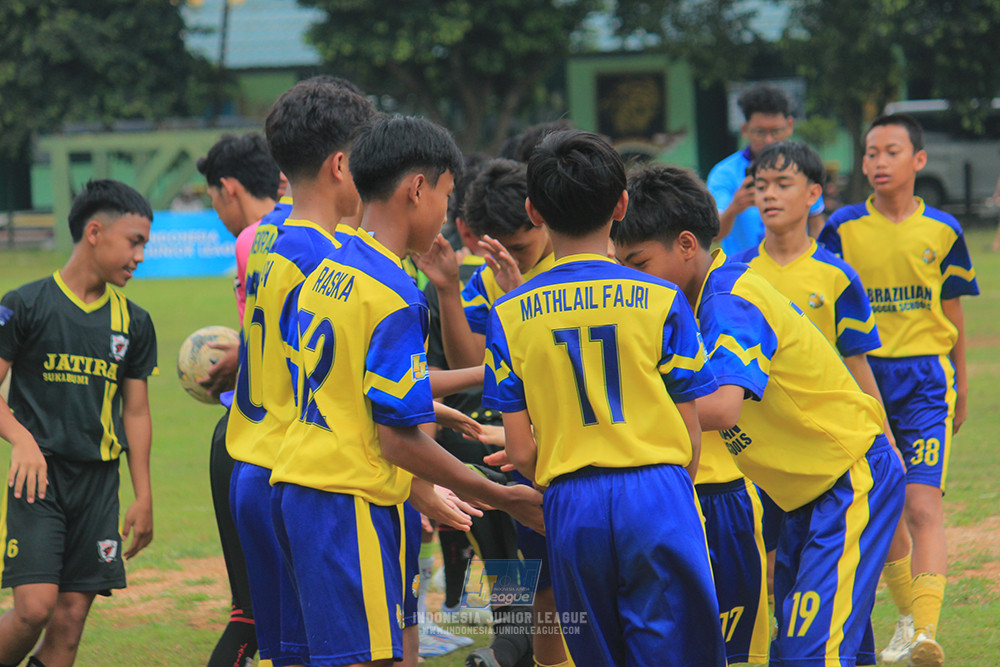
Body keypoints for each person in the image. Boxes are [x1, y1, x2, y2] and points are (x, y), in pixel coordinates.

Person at [271, 114, 543, 667]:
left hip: (303, 485)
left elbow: (344, 384)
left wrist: (432, 406)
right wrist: (501, 496)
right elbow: (395, 441)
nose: (445, 214)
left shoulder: (329, 266)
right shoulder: (395, 291)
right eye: (446, 194)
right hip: (347, 498)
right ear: (418, 189)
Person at [612, 164, 906, 666]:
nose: (630, 279)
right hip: (801, 498)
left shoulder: (729, 301)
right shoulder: (690, 303)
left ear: (687, 245)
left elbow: (724, 407)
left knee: (804, 652)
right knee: (829, 648)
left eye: (638, 263)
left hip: (849, 478)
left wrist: (619, 415)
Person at [483, 130, 726, 667]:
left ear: (533, 210)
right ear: (621, 204)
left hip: (571, 502)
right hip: (658, 491)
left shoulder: (509, 315)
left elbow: (521, 455)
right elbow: (690, 431)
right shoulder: (661, 299)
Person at [225, 78, 377, 667]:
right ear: (342, 164)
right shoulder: (327, 260)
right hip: (301, 479)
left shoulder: (266, 237)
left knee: (293, 654)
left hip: (253, 469)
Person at [820, 113, 980, 666]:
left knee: (921, 504)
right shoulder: (840, 228)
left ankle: (925, 633)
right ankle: (906, 619)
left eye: (891, 151)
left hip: (925, 383)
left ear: (919, 160)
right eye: (870, 152)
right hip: (862, 381)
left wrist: (961, 387)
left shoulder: (944, 230)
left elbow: (953, 313)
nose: (878, 162)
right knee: (880, 505)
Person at [0, 180, 158, 667]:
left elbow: (135, 411)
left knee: (68, 623)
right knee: (34, 608)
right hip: (39, 478)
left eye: (145, 246)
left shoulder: (133, 322)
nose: (140, 256)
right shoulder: (24, 305)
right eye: (134, 241)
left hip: (97, 484)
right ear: (95, 232)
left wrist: (144, 493)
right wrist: (23, 440)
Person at [418, 158, 562, 667]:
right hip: (504, 446)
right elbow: (468, 359)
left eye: (523, 243)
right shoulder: (486, 278)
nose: (512, 255)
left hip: (566, 451)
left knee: (566, 596)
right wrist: (450, 291)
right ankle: (507, 649)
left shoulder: (572, 267)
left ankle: (504, 652)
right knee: (526, 581)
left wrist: (520, 298)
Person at [196, 131, 281, 667]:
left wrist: (243, 357)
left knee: (251, 614)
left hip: (255, 438)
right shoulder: (323, 234)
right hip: (286, 436)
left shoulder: (256, 239)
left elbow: (281, 336)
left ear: (228, 188)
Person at [707, 82, 825, 255]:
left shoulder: (803, 167)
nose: (769, 140)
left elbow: (815, 223)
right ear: (745, 129)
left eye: (776, 131)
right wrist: (734, 207)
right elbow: (714, 234)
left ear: (790, 125)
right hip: (743, 274)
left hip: (794, 270)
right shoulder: (724, 173)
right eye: (760, 132)